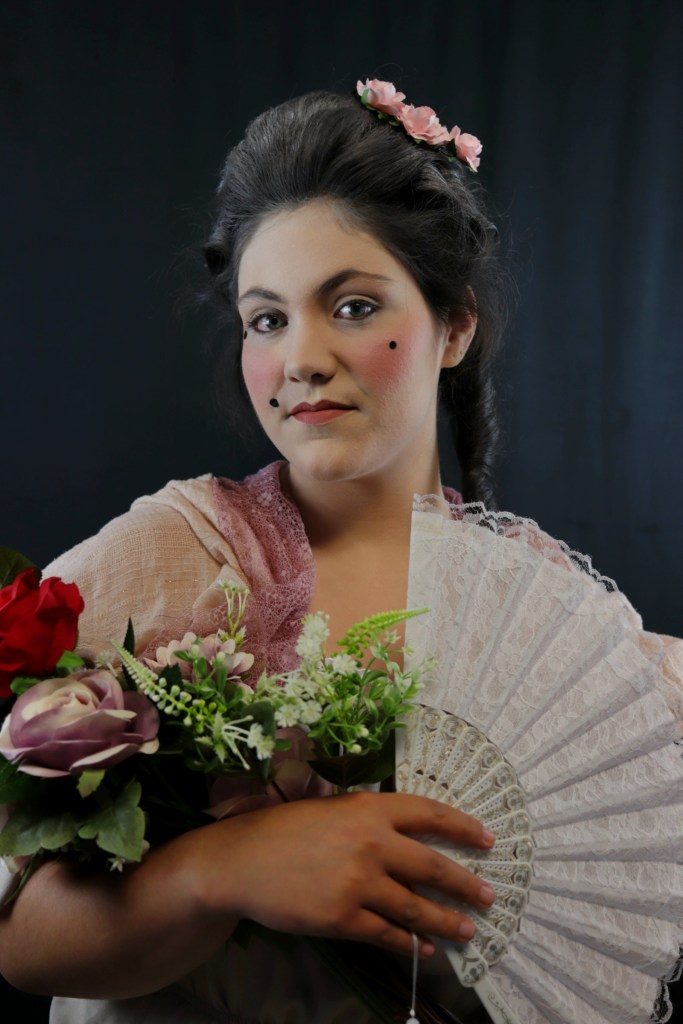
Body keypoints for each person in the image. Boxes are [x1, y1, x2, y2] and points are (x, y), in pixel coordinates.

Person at [0, 81, 680, 1024]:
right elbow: (21, 943)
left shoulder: (545, 604)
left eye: (353, 307)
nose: (300, 359)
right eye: (266, 319)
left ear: (454, 326)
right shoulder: (177, 555)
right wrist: (220, 868)